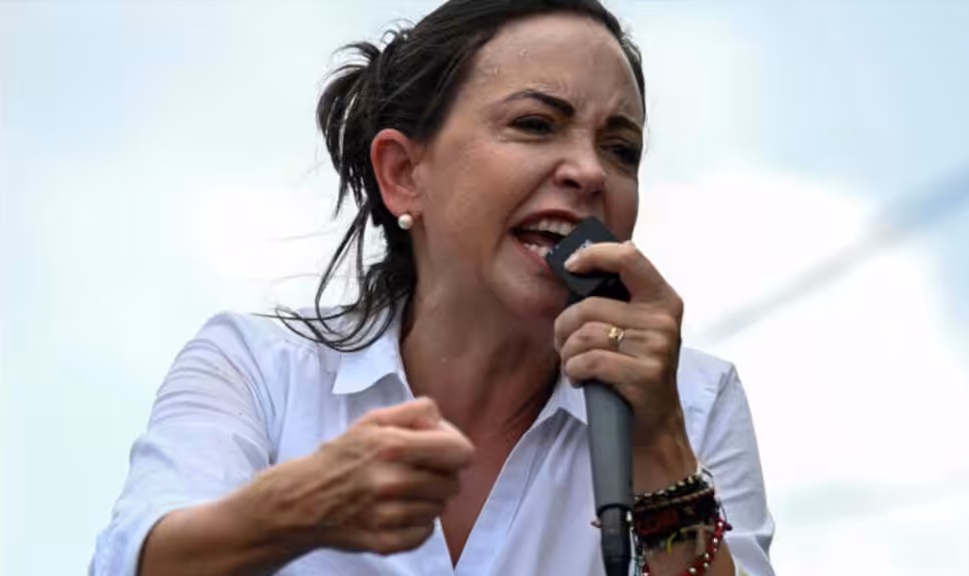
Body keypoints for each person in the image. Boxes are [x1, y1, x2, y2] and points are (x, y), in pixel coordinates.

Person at [90, 0, 775, 574]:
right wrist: (295, 509)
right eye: (535, 125)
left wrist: (659, 445)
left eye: (621, 148)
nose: (589, 171)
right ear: (403, 174)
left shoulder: (694, 402)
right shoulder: (259, 370)